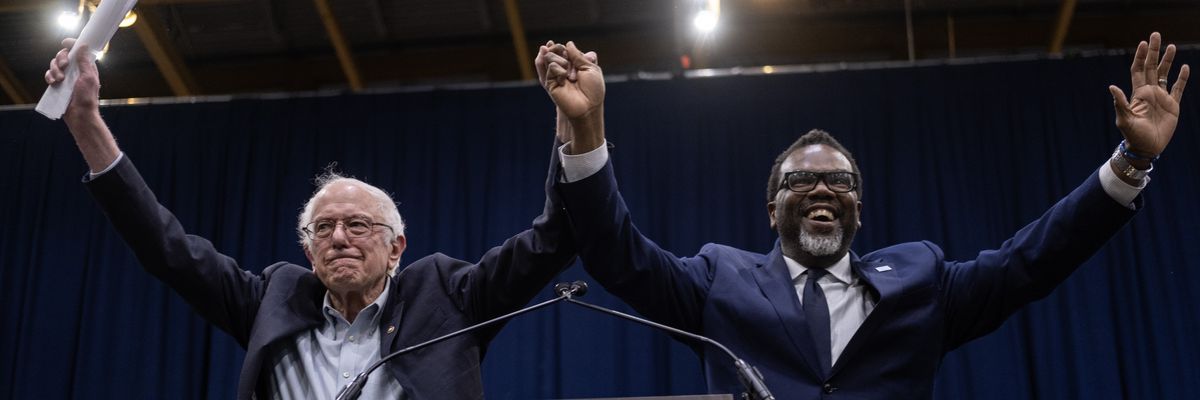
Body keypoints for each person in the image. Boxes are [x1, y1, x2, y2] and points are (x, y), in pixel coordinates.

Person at [535, 33, 1189, 398]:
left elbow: (1032, 260)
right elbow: (617, 253)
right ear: (772, 208)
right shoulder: (718, 280)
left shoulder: (923, 280)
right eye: (802, 180)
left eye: (841, 181)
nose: (824, 188)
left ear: (859, 207)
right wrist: (587, 126)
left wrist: (1131, 160)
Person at [45, 38, 577, 400]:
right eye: (323, 228)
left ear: (396, 247)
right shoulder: (271, 301)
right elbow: (166, 247)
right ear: (308, 250)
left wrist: (577, 123)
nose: (339, 237)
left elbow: (550, 242)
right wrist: (86, 120)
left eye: (358, 225)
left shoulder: (448, 297)